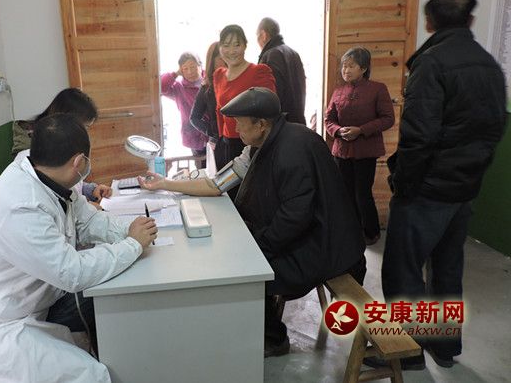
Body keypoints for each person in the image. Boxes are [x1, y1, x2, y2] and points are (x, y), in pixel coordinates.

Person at [0, 114, 158, 383]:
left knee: (91, 331)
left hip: (17, 307)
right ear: (79, 162)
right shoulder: (20, 204)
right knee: (90, 375)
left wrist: (130, 229)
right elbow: (73, 273)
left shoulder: (45, 174)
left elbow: (88, 220)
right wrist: (132, 245)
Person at [139, 87, 366, 358]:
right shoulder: (260, 147)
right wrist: (164, 183)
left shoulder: (292, 151)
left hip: (327, 246)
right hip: (311, 234)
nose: (235, 129)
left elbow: (295, 217)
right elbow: (216, 184)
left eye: (239, 123)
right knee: (241, 256)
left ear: (261, 124)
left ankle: (273, 339)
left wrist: (258, 248)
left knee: (248, 273)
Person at [368, 0, 507, 371]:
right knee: (447, 268)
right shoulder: (489, 65)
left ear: (429, 22)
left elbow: (419, 138)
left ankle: (407, 352)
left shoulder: (431, 64)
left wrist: (404, 183)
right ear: (470, 21)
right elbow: (495, 129)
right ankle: (444, 347)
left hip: (426, 190)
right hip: (463, 190)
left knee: (403, 271)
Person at [325, 47, 395, 245]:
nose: (345, 70)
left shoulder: (377, 89)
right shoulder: (338, 91)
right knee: (345, 193)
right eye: (344, 66)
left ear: (363, 68)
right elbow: (328, 119)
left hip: (366, 151)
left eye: (351, 66)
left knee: (362, 193)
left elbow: (388, 119)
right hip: (341, 151)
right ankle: (351, 231)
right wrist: (338, 130)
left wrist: (361, 130)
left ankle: (371, 232)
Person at [12, 88, 111, 206]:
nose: (84, 134)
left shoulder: (60, 145)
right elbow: (54, 199)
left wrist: (91, 190)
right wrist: (86, 208)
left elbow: (67, 184)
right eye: (84, 127)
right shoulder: (31, 158)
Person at [213, 24, 276, 170]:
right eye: (226, 45)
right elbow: (219, 110)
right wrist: (221, 138)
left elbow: (271, 112)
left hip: (251, 143)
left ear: (245, 46)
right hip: (226, 143)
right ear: (220, 48)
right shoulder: (218, 75)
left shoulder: (259, 71)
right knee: (225, 183)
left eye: (237, 45)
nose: (231, 51)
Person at [160, 52, 209, 168]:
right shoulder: (179, 87)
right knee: (202, 168)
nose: (190, 72)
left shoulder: (210, 81)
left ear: (200, 65)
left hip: (215, 133)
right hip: (194, 136)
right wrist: (175, 74)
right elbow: (161, 87)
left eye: (193, 67)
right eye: (185, 69)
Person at [257, 17, 307, 125]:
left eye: (257, 36)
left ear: (263, 35)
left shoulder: (270, 56)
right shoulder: (293, 53)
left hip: (281, 125)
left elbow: (271, 96)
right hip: (297, 121)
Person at [189, 41, 227, 175]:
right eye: (220, 57)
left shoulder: (237, 81)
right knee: (220, 178)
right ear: (212, 60)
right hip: (218, 143)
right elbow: (194, 118)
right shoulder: (207, 87)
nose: (225, 59)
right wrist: (212, 130)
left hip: (240, 141)